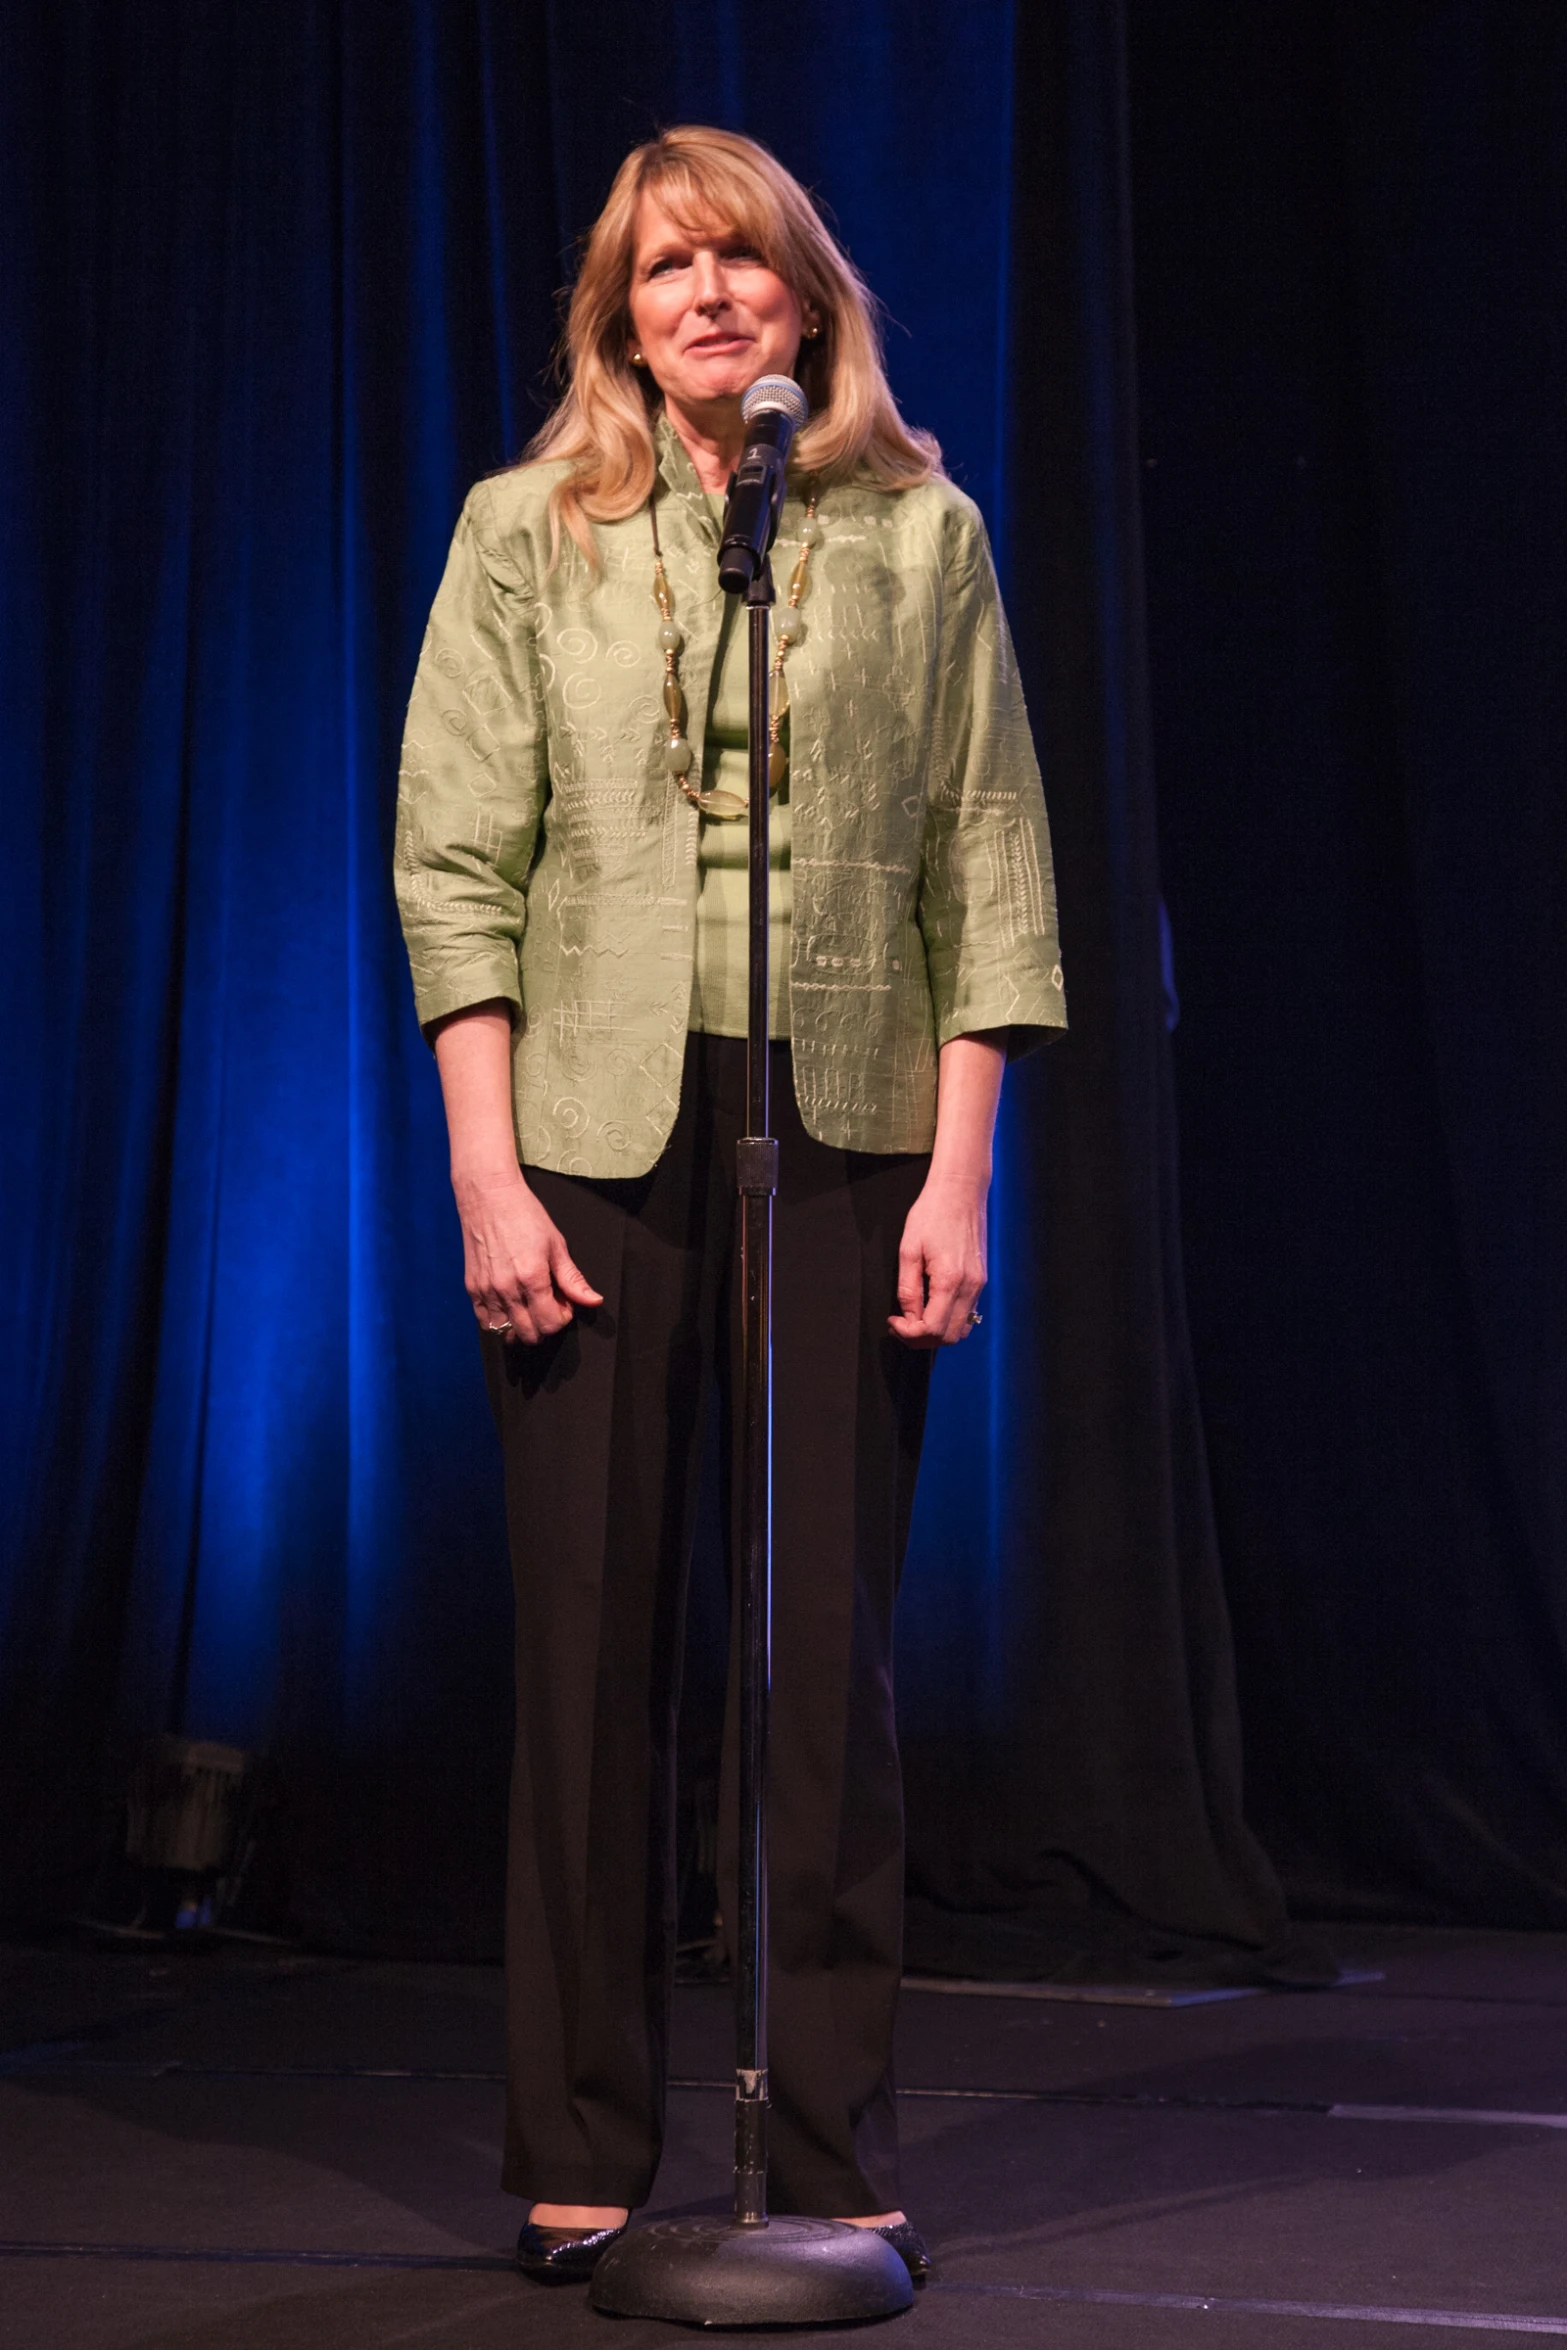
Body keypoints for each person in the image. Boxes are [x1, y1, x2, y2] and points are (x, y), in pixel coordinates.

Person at [394, 124, 1065, 2286]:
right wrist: (486, 1171)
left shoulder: (920, 533)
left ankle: (833, 2129)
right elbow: (454, 864)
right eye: (666, 265)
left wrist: (961, 1172)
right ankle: (584, 2134)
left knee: (826, 1657)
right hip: (592, 1126)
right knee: (593, 1655)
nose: (708, 294)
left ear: (806, 298)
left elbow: (992, 860)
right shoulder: (525, 531)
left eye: (743, 262)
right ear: (617, 309)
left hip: (850, 1108)